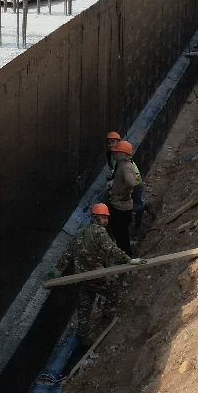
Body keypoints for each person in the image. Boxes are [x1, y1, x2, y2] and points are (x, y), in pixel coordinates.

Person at [57, 203, 130, 341]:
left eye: (107, 218)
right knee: (113, 286)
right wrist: (129, 260)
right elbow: (111, 249)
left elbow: (67, 254)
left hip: (82, 276)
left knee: (85, 302)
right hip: (95, 275)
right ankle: (108, 312)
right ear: (96, 217)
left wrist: (55, 271)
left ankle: (82, 333)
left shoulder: (79, 232)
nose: (106, 221)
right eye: (104, 217)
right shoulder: (99, 231)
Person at [105, 139, 142, 256]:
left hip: (120, 208)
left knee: (121, 235)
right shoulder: (122, 164)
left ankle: (126, 257)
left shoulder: (125, 167)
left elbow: (130, 183)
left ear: (123, 154)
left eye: (117, 152)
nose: (114, 154)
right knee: (121, 233)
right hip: (121, 206)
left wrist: (123, 194)